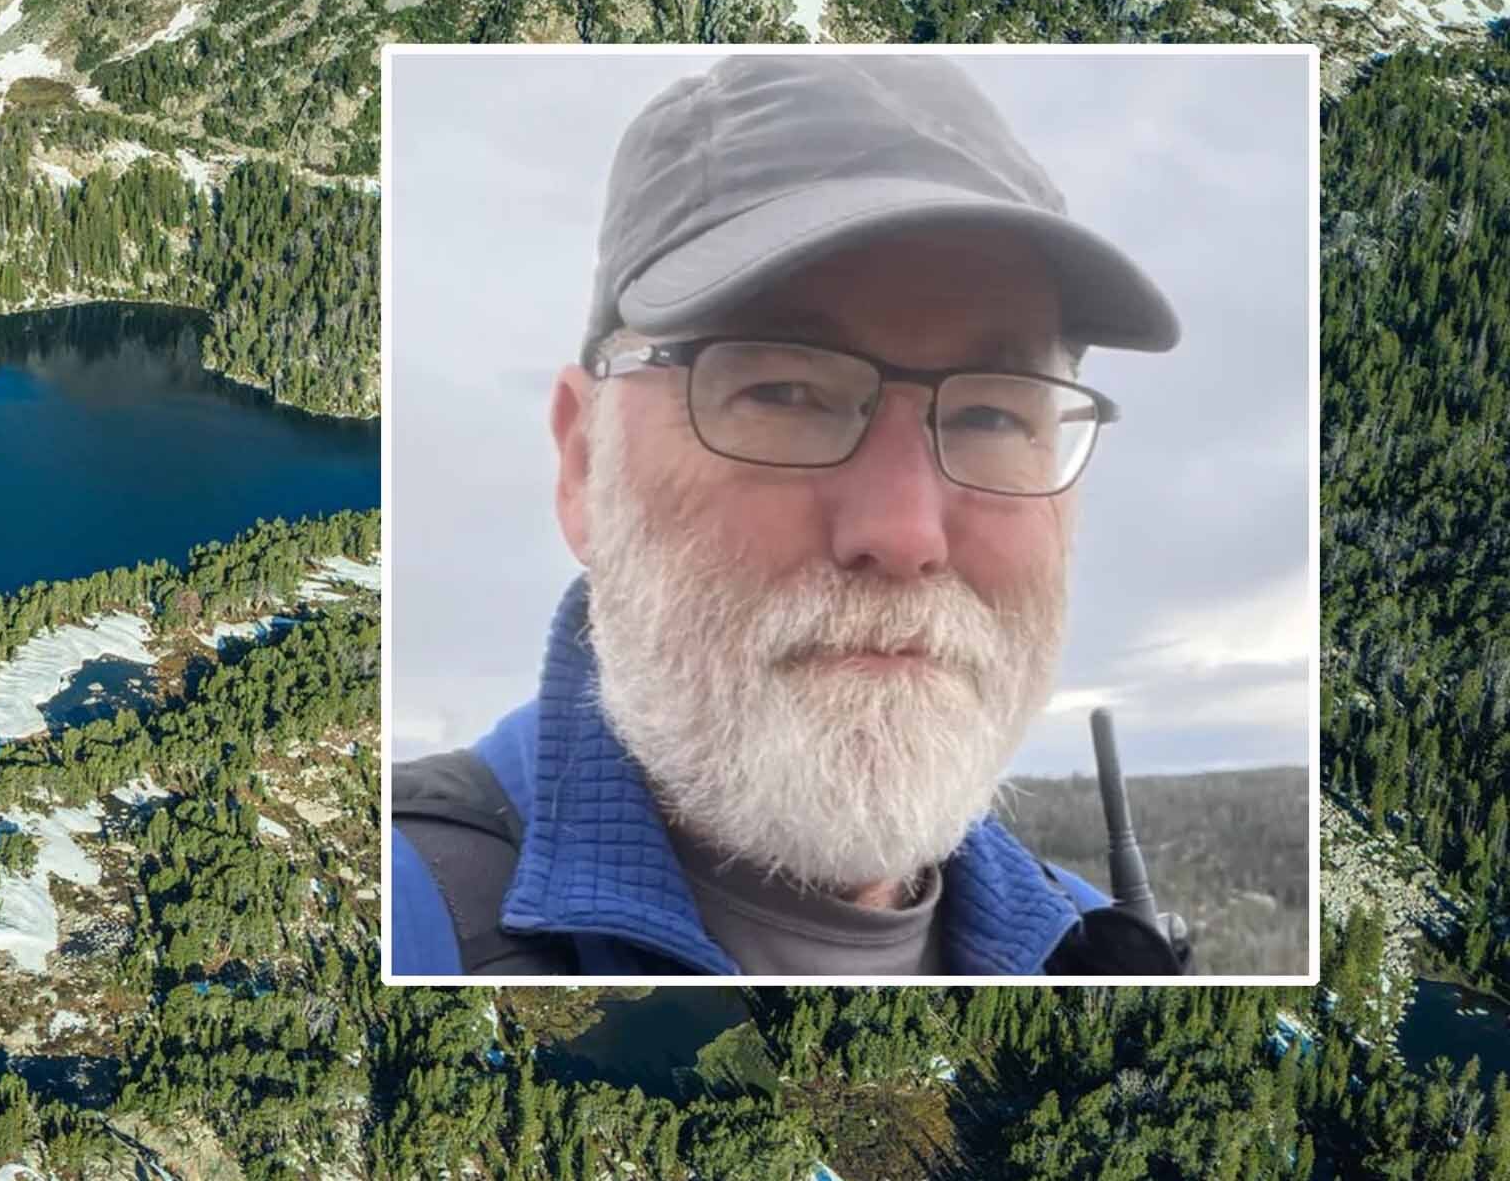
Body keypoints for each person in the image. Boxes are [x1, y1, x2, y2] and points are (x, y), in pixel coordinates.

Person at [387, 51, 1184, 977]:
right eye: (785, 394)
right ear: (584, 464)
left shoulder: (1092, 956)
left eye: (993, 415)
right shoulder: (389, 913)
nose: (904, 533)